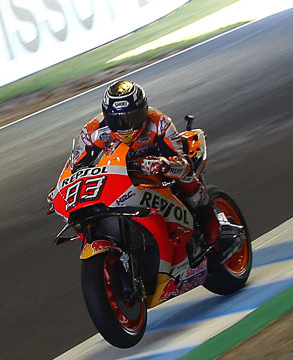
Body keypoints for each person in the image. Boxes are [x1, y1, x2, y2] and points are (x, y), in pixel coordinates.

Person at [70, 80, 219, 261]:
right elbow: (77, 167)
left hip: (157, 170)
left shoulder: (159, 122)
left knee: (186, 177)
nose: (124, 125)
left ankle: (208, 219)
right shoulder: (92, 131)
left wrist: (163, 164)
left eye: (130, 117)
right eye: (116, 119)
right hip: (119, 175)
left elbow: (183, 162)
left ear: (143, 111)